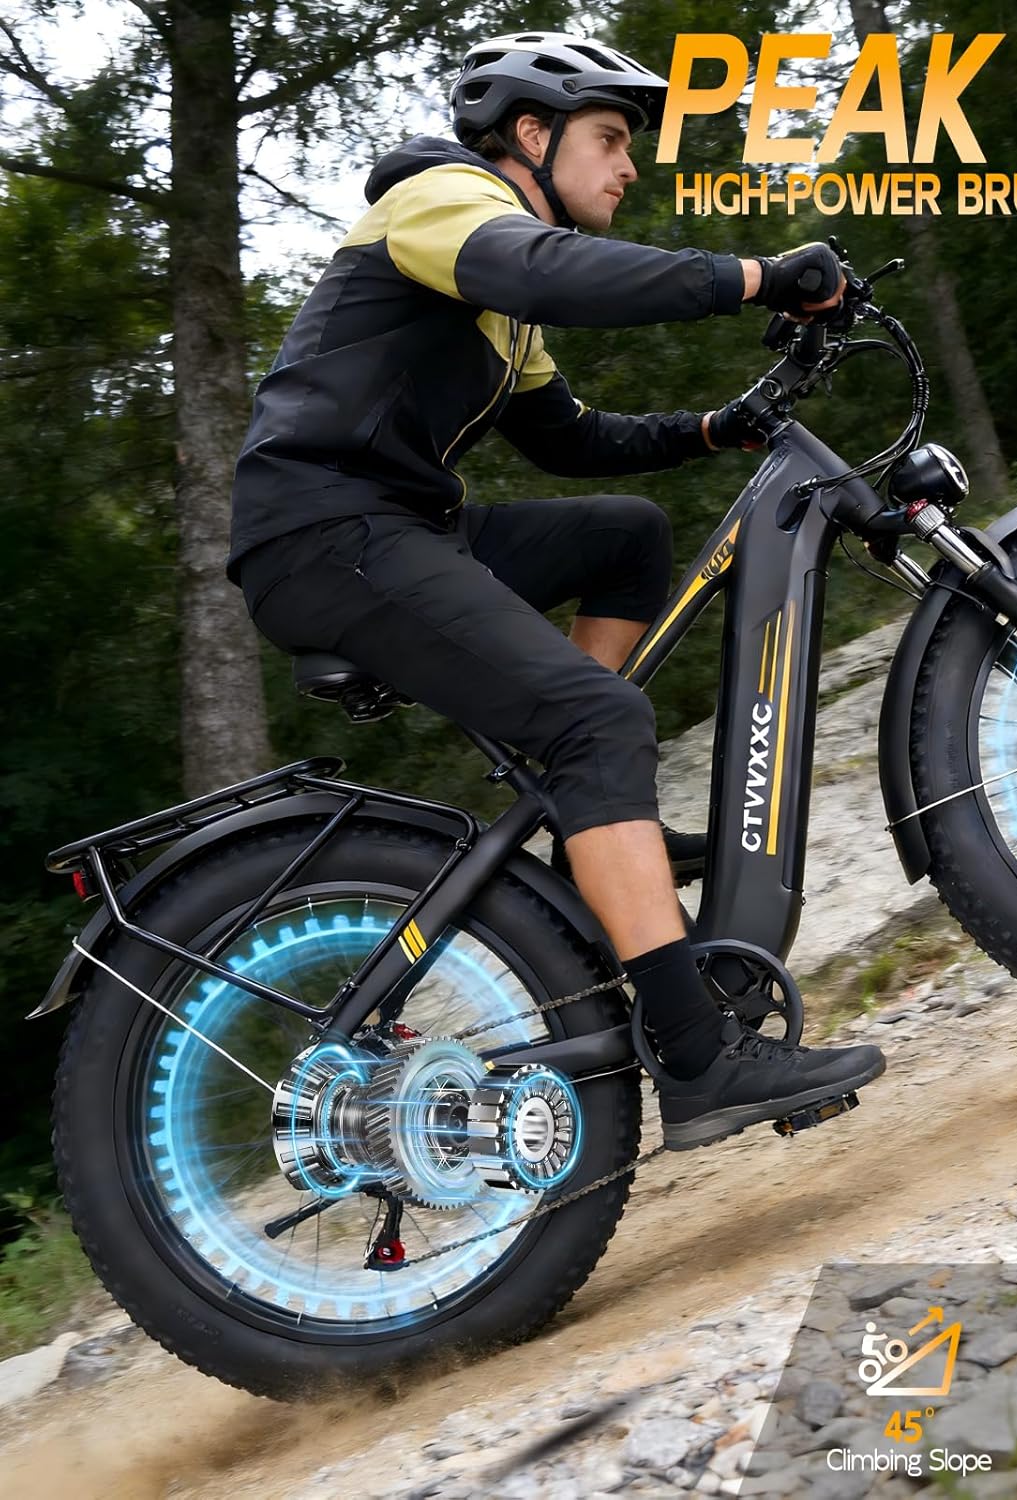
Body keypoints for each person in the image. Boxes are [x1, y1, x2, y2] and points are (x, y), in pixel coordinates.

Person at [226, 32, 886, 1150]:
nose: (627, 168)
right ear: (531, 133)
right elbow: (546, 271)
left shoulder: (501, 297)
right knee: (599, 719)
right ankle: (699, 1057)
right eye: (609, 139)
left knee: (625, 538)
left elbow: (570, 440)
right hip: (324, 536)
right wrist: (759, 277)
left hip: (397, 527)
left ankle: (584, 816)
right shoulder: (440, 199)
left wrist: (715, 426)